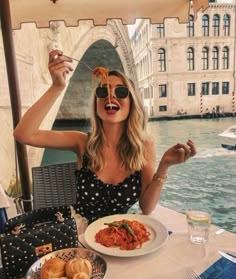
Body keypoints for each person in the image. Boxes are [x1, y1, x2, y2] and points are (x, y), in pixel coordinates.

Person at [14, 49, 197, 223]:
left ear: (131, 102)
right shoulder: (81, 142)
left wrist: (164, 166)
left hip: (119, 241)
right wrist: (57, 87)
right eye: (103, 91)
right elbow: (24, 134)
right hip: (80, 237)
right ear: (97, 104)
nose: (111, 96)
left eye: (121, 91)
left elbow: (147, 207)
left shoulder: (144, 145)